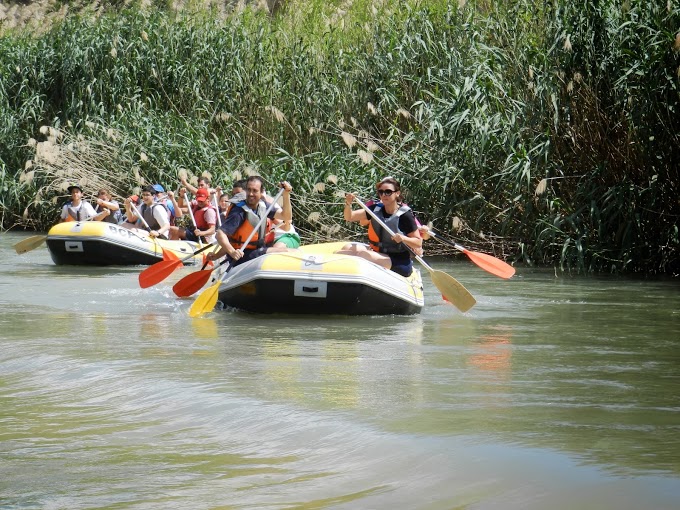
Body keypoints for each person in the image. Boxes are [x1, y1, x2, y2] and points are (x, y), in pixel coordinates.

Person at [337, 176, 422, 277]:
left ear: (397, 193)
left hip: (399, 261)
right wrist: (348, 203)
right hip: (379, 253)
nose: (384, 195)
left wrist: (403, 238)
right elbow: (349, 217)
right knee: (345, 249)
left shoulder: (405, 215)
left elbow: (418, 242)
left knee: (363, 255)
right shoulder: (375, 209)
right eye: (381, 192)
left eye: (388, 192)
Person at [207, 176, 293, 266]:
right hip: (243, 255)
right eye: (249, 190)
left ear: (261, 192)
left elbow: (285, 216)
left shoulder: (263, 206)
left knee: (291, 251)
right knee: (285, 251)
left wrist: (286, 195)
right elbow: (220, 234)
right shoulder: (239, 211)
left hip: (257, 250)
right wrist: (232, 252)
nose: (251, 194)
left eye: (255, 191)